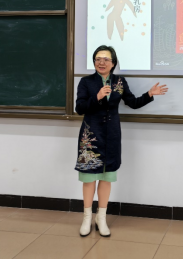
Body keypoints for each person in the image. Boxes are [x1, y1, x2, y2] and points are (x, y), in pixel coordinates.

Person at [75, 45, 168, 237]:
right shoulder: (86, 82)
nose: (101, 62)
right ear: (94, 62)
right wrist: (97, 97)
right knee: (89, 178)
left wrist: (149, 94)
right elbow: (80, 108)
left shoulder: (119, 81)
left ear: (113, 63)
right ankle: (87, 218)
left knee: (107, 177)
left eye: (106, 59)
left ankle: (101, 218)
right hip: (90, 136)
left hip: (111, 136)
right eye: (98, 59)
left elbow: (132, 103)